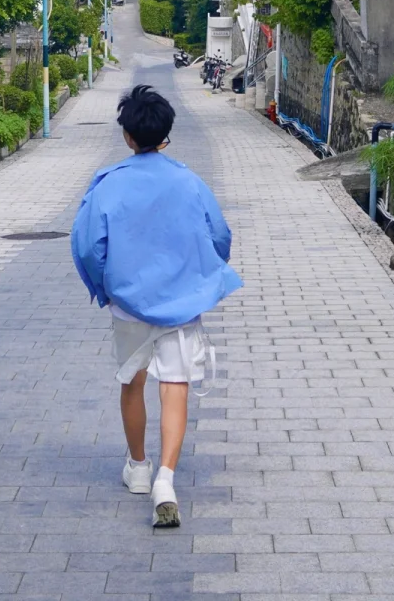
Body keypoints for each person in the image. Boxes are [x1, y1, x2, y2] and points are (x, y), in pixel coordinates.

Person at [70, 84, 242, 528]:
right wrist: (202, 272)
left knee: (133, 382)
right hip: (182, 300)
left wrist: (103, 287)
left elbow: (88, 246)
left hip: (128, 303)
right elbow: (220, 236)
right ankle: (167, 477)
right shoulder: (189, 180)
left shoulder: (108, 185)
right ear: (166, 133)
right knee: (176, 383)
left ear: (128, 136)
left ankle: (139, 468)